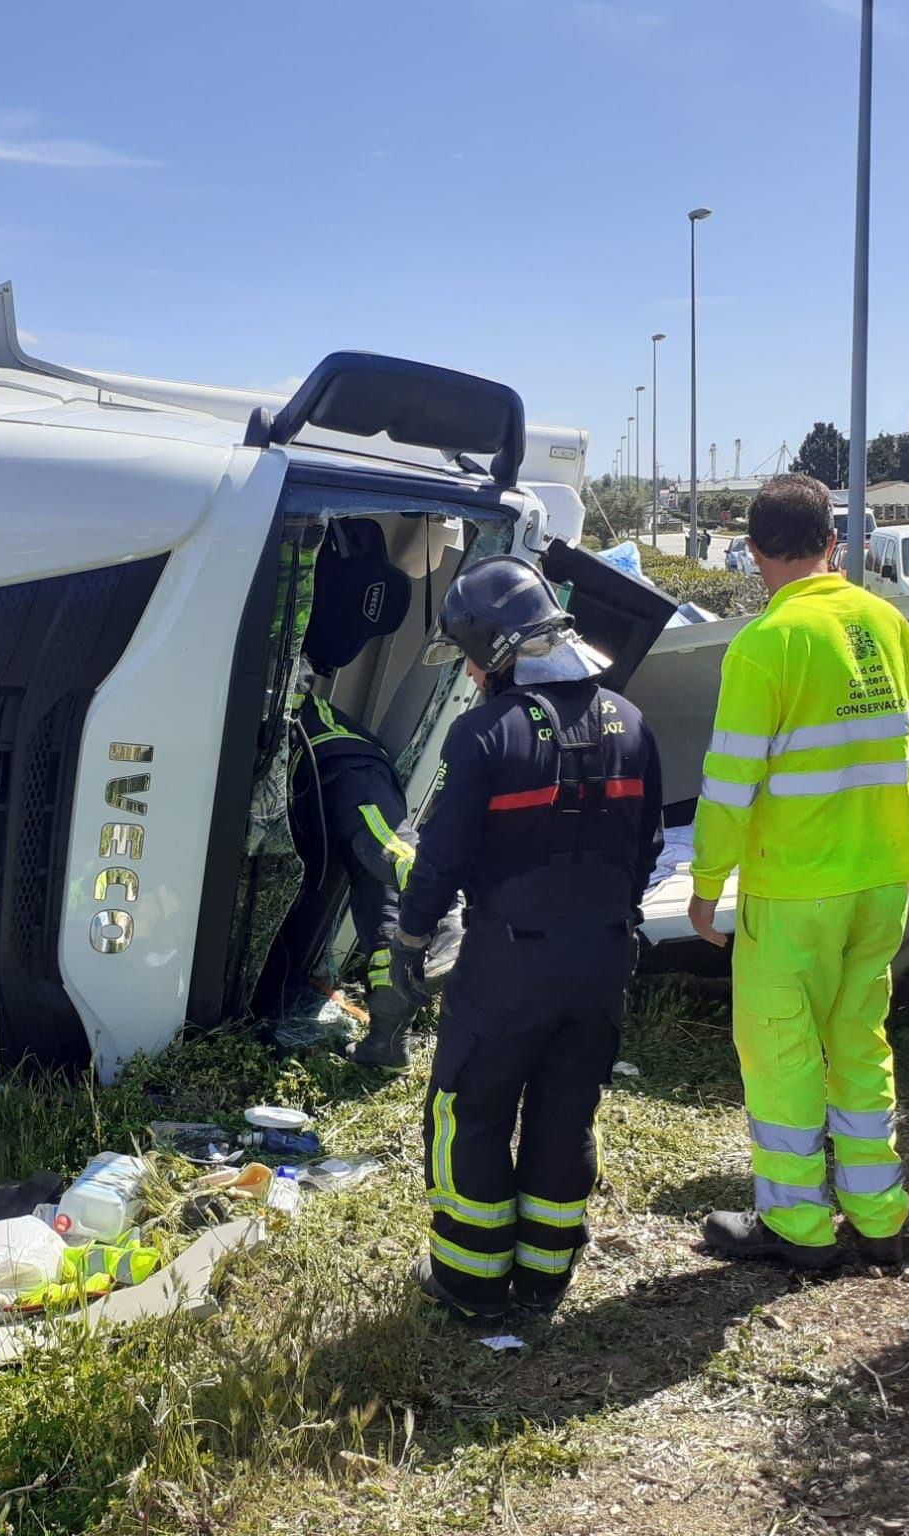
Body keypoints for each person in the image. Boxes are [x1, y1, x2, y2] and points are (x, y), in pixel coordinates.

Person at [387, 556, 664, 1322]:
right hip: (603, 960)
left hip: (508, 962)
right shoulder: (632, 723)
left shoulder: (484, 736)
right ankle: (545, 1280)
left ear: (499, 650)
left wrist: (410, 940)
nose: (473, 675)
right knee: (566, 1110)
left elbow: (440, 857)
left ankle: (471, 1283)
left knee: (467, 1111)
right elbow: (646, 848)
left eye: (475, 659)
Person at [687, 474, 909, 1271]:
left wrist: (705, 881)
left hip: (795, 889)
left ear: (754, 552)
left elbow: (730, 783)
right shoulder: (889, 623)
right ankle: (878, 1217)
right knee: (861, 1043)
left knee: (783, 1053)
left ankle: (798, 1228)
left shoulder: (766, 644)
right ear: (835, 543)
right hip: (884, 875)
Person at [287, 669, 422, 1069]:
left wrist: (437, 893)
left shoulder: (329, 737)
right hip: (320, 784)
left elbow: (387, 843)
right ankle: (387, 1043)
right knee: (383, 918)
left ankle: (448, 907)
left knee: (383, 850)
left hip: (348, 768)